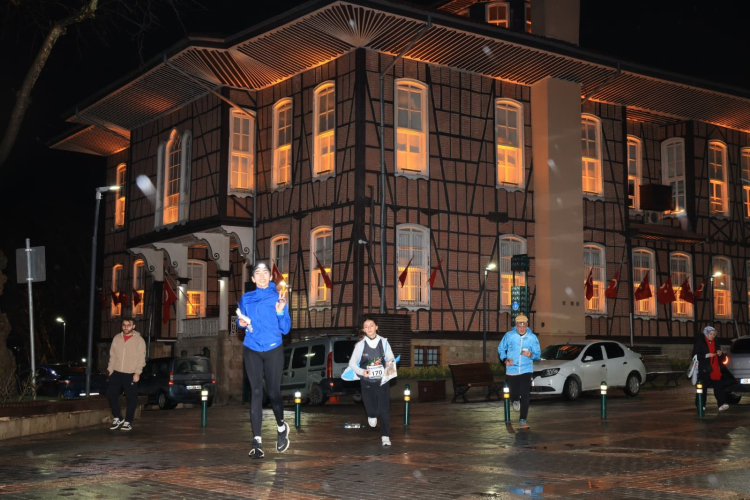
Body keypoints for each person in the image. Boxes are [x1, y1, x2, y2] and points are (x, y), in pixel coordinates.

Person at [237, 262, 291, 459]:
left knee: (273, 392)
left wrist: (280, 311)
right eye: (257, 273)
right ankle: (257, 442)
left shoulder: (279, 297)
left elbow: (286, 329)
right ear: (252, 278)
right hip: (252, 348)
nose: (261, 276)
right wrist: (240, 323)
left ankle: (281, 427)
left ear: (270, 277)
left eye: (265, 272)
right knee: (256, 392)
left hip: (273, 349)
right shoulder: (246, 298)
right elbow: (240, 319)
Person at [348, 318, 395, 447]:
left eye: (371, 325)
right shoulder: (360, 345)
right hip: (366, 381)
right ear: (364, 330)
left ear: (376, 327)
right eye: (366, 326)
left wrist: (389, 362)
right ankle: (372, 415)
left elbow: (391, 358)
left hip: (382, 381)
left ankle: (385, 436)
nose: (369, 328)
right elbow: (352, 363)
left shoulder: (384, 342)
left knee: (384, 409)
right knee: (371, 408)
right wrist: (362, 372)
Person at [498, 315, 540, 429]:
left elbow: (538, 355)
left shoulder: (532, 338)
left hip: (526, 370)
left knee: (525, 394)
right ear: (516, 325)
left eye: (524, 326)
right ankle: (515, 399)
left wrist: (531, 354)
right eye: (519, 326)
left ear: (527, 325)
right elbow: (501, 348)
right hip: (512, 369)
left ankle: (523, 420)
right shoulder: (509, 336)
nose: (521, 328)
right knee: (514, 393)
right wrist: (505, 359)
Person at [107, 317, 146, 431]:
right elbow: (113, 355)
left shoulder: (139, 340)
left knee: (131, 398)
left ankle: (128, 421)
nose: (126, 327)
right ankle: (118, 417)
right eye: (124, 325)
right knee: (111, 394)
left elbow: (141, 357)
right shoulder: (117, 338)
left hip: (131, 373)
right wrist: (110, 369)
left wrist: (137, 372)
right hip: (116, 372)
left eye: (128, 325)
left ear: (133, 326)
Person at [693, 326, 735, 411]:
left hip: (715, 369)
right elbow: (695, 355)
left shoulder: (716, 342)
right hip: (704, 369)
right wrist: (706, 355)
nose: (712, 336)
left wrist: (720, 354)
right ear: (706, 334)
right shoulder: (700, 342)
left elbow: (721, 358)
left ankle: (722, 404)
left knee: (719, 386)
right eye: (711, 334)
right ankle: (700, 404)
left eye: (714, 334)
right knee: (703, 388)